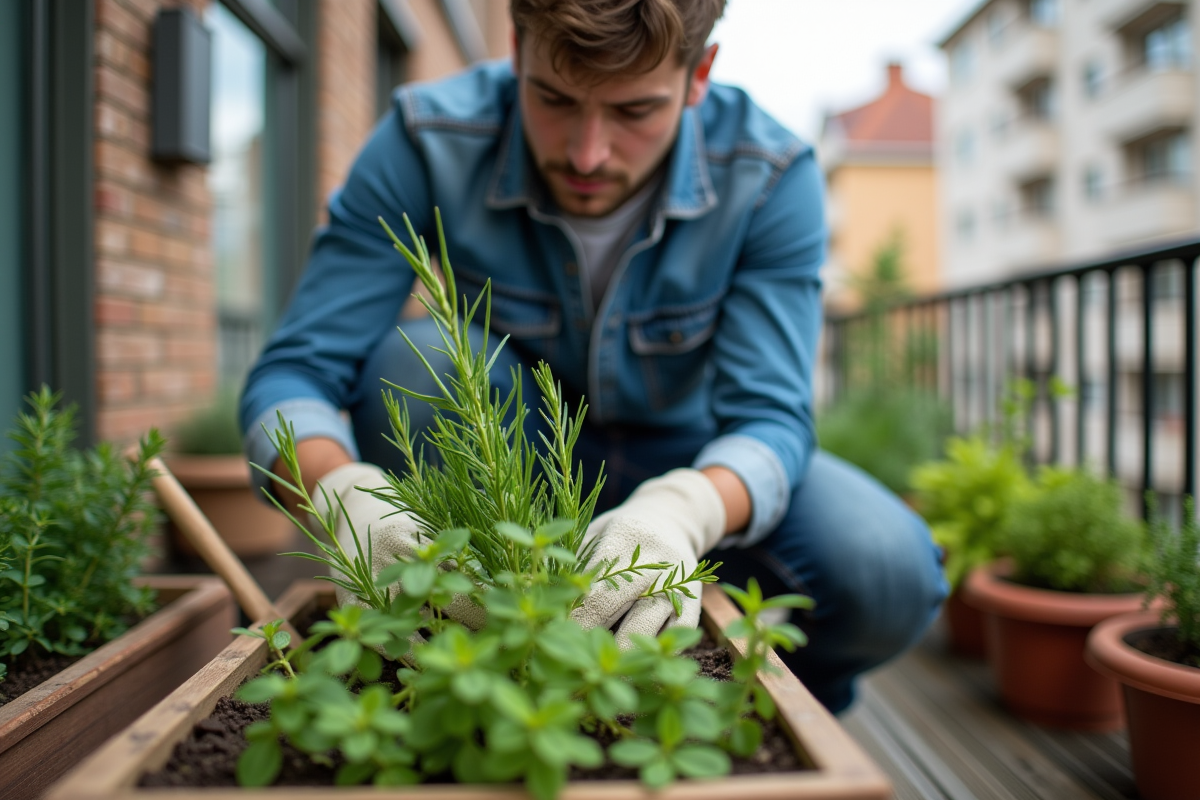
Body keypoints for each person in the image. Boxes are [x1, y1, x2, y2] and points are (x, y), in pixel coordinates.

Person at [240, 0, 947, 714]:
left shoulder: (767, 172)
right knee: (417, 363)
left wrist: (686, 510)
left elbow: (772, 421)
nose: (587, 154)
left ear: (698, 74)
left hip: (690, 454)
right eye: (553, 99)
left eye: (635, 110)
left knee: (884, 569)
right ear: (516, 47)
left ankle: (778, 716)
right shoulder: (429, 138)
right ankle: (440, 685)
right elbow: (295, 371)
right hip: (511, 466)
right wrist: (341, 494)